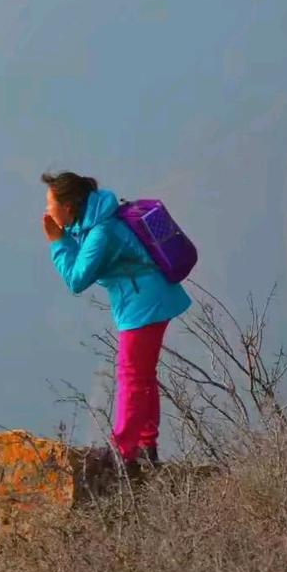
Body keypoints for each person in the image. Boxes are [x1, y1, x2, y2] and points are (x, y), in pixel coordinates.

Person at [41, 171, 191, 472]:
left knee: (131, 377)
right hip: (148, 298)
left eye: (50, 203)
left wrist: (58, 242)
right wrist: (66, 236)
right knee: (143, 375)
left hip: (143, 304)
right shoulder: (94, 221)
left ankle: (122, 453)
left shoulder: (101, 232)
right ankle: (146, 446)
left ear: (68, 206)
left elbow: (77, 280)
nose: (47, 210)